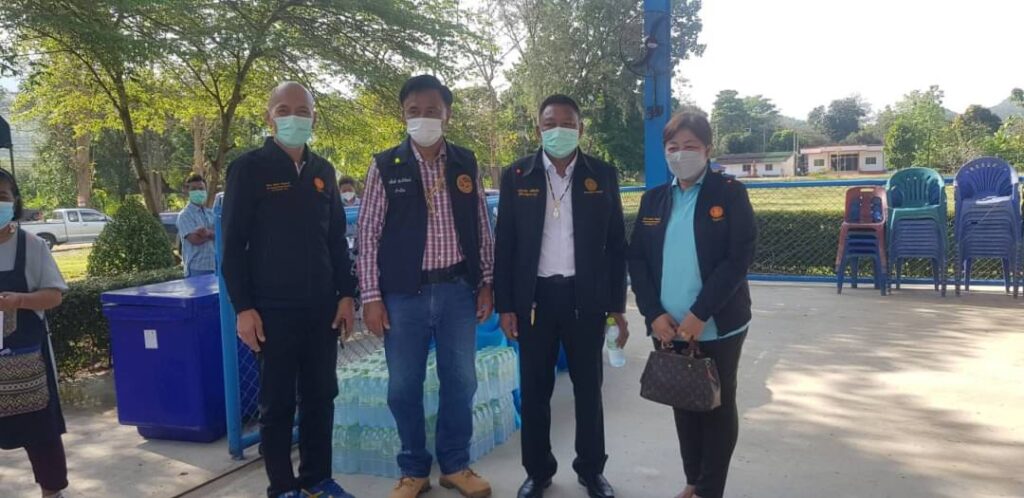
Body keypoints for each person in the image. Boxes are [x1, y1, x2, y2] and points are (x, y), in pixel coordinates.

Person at [357, 74, 494, 498]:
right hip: (403, 296)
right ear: (403, 115)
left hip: (458, 291)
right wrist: (371, 297)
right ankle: (414, 469)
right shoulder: (385, 166)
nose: (423, 118)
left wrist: (487, 283)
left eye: (432, 110)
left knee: (462, 381)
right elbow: (367, 234)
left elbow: (481, 226)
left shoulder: (465, 162)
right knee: (403, 386)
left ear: (446, 114)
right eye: (414, 111)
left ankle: (455, 465)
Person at [221, 82, 357, 498]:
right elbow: (233, 246)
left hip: (322, 310)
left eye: (303, 110)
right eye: (284, 109)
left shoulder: (323, 172)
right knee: (277, 404)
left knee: (321, 397)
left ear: (313, 117)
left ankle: (317, 480)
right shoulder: (248, 169)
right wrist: (244, 308)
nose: (294, 117)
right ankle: (282, 487)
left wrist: (346, 295)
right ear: (269, 118)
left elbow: (336, 240)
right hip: (272, 311)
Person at [494, 95, 628, 498]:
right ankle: (538, 472)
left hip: (585, 299)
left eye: (568, 123)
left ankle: (591, 470)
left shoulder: (601, 174)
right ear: (538, 128)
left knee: (589, 390)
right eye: (550, 123)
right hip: (534, 301)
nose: (559, 130)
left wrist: (617, 307)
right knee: (536, 392)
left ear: (581, 129)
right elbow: (505, 245)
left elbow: (616, 245)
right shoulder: (517, 174)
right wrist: (506, 306)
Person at [627, 111, 756, 498]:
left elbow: (738, 258)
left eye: (690, 146)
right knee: (683, 402)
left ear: (707, 150)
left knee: (717, 406)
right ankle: (692, 482)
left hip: (718, 324)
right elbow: (637, 259)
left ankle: (708, 490)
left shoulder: (729, 193)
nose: (681, 154)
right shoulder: (654, 199)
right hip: (668, 326)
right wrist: (653, 314)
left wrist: (701, 313)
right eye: (673, 147)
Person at [0, 169, 70, 498]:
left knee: (42, 435)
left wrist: (19, 301)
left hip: (27, 365)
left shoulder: (32, 245)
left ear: (14, 202)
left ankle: (51, 492)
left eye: (2, 196)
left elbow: (54, 296)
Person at [176, 173, 216, 277]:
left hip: (214, 266)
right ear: (187, 191)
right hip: (196, 268)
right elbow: (195, 240)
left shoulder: (210, 213)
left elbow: (221, 235)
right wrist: (212, 234)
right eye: (194, 189)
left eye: (201, 189)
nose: (198, 191)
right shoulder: (184, 215)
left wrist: (207, 233)